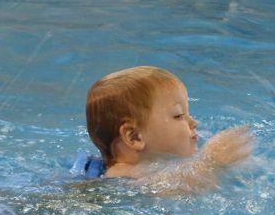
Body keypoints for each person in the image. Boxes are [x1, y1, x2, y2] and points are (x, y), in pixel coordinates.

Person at [85, 66, 253, 194]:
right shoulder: (122, 175)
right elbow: (172, 189)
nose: (194, 122)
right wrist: (212, 162)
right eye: (179, 115)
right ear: (134, 137)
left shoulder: (145, 166)